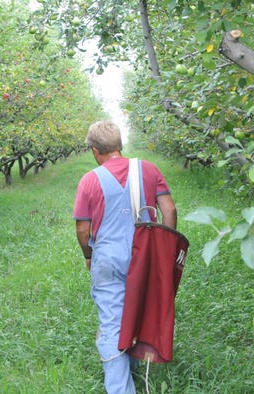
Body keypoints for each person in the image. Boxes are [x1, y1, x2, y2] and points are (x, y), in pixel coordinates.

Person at [73, 120, 177, 393]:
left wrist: (89, 255)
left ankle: (121, 387)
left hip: (107, 258)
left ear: (95, 151)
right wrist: (163, 250)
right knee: (140, 308)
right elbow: (170, 210)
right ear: (120, 145)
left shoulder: (90, 180)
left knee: (111, 319)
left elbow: (83, 228)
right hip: (144, 257)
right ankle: (132, 363)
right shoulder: (149, 170)